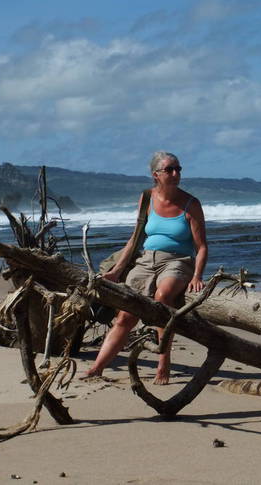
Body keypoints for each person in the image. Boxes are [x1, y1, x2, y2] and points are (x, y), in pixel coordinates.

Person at [85, 151, 208, 384]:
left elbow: (201, 247)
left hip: (178, 260)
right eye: (169, 169)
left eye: (178, 169)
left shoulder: (191, 204)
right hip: (146, 260)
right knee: (125, 315)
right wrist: (117, 270)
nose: (175, 173)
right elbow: (135, 238)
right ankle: (97, 367)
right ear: (156, 175)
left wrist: (198, 275)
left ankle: (164, 362)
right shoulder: (146, 198)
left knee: (162, 298)